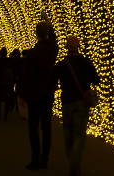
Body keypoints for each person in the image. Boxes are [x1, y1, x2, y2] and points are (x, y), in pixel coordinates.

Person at [54, 36, 99, 176]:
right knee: (79, 134)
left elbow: (54, 80)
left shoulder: (62, 64)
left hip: (67, 101)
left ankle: (72, 163)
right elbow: (96, 80)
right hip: (81, 101)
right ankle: (75, 163)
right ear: (78, 47)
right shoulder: (86, 62)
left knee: (68, 133)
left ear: (67, 47)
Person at [18, 21, 58, 170]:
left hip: (34, 94)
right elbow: (53, 40)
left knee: (33, 127)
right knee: (46, 127)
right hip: (47, 93)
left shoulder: (33, 52)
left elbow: (26, 75)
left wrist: (21, 94)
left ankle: (35, 159)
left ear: (36, 34)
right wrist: (50, 27)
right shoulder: (53, 48)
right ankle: (45, 160)